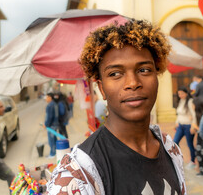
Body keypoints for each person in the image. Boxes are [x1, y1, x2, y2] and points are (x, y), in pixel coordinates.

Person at [46, 20, 186, 194]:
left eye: (144, 70)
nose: (133, 83)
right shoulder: (77, 177)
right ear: (102, 88)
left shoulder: (170, 149)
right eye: (115, 74)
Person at [173, 87, 196, 169]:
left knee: (190, 144)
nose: (180, 95)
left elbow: (194, 114)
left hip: (188, 126)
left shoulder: (190, 101)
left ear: (186, 93)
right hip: (180, 125)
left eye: (182, 93)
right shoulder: (180, 101)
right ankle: (178, 159)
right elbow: (179, 114)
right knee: (175, 142)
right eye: (179, 94)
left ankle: (193, 161)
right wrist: (176, 122)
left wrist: (193, 125)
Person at [190, 97, 203, 176]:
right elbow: (192, 131)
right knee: (199, 153)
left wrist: (195, 127)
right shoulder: (197, 114)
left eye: (193, 105)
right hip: (200, 137)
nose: (192, 106)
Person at [44, 93, 60, 158]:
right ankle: (56, 152)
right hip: (55, 124)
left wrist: (46, 124)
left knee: (51, 140)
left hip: (51, 125)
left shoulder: (50, 105)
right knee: (54, 139)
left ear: (50, 97)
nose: (46, 98)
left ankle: (52, 153)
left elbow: (49, 117)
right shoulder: (55, 104)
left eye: (47, 97)